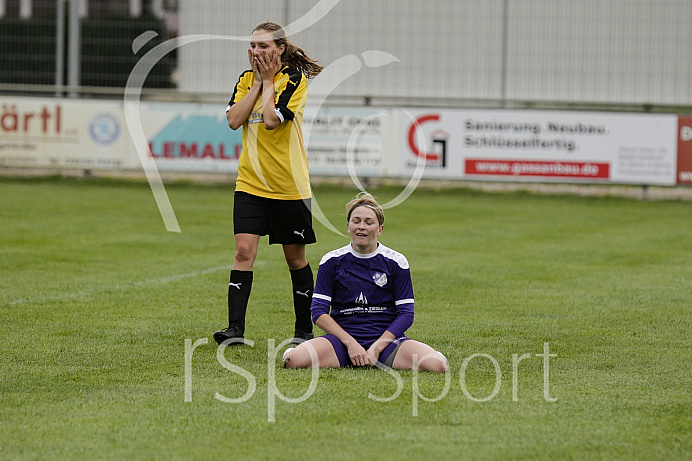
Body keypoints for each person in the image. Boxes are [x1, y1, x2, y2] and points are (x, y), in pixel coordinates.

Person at [214, 22, 323, 345]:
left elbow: (273, 120)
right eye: (252, 45)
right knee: (243, 251)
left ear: (280, 50)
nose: (255, 51)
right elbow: (234, 120)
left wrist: (269, 86)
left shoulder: (293, 79)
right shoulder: (246, 80)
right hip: (250, 183)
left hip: (290, 187)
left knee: (295, 259)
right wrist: (258, 84)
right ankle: (235, 330)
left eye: (263, 46)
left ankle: (304, 331)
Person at [283, 193, 448, 372]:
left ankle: (430, 353)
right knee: (292, 360)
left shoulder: (396, 261)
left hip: (387, 343)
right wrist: (351, 344)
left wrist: (376, 348)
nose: (361, 227)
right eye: (356, 221)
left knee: (437, 365)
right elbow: (318, 312)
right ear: (348, 226)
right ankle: (298, 350)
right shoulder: (331, 261)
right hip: (341, 342)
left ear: (380, 229)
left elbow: (406, 314)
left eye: (369, 222)